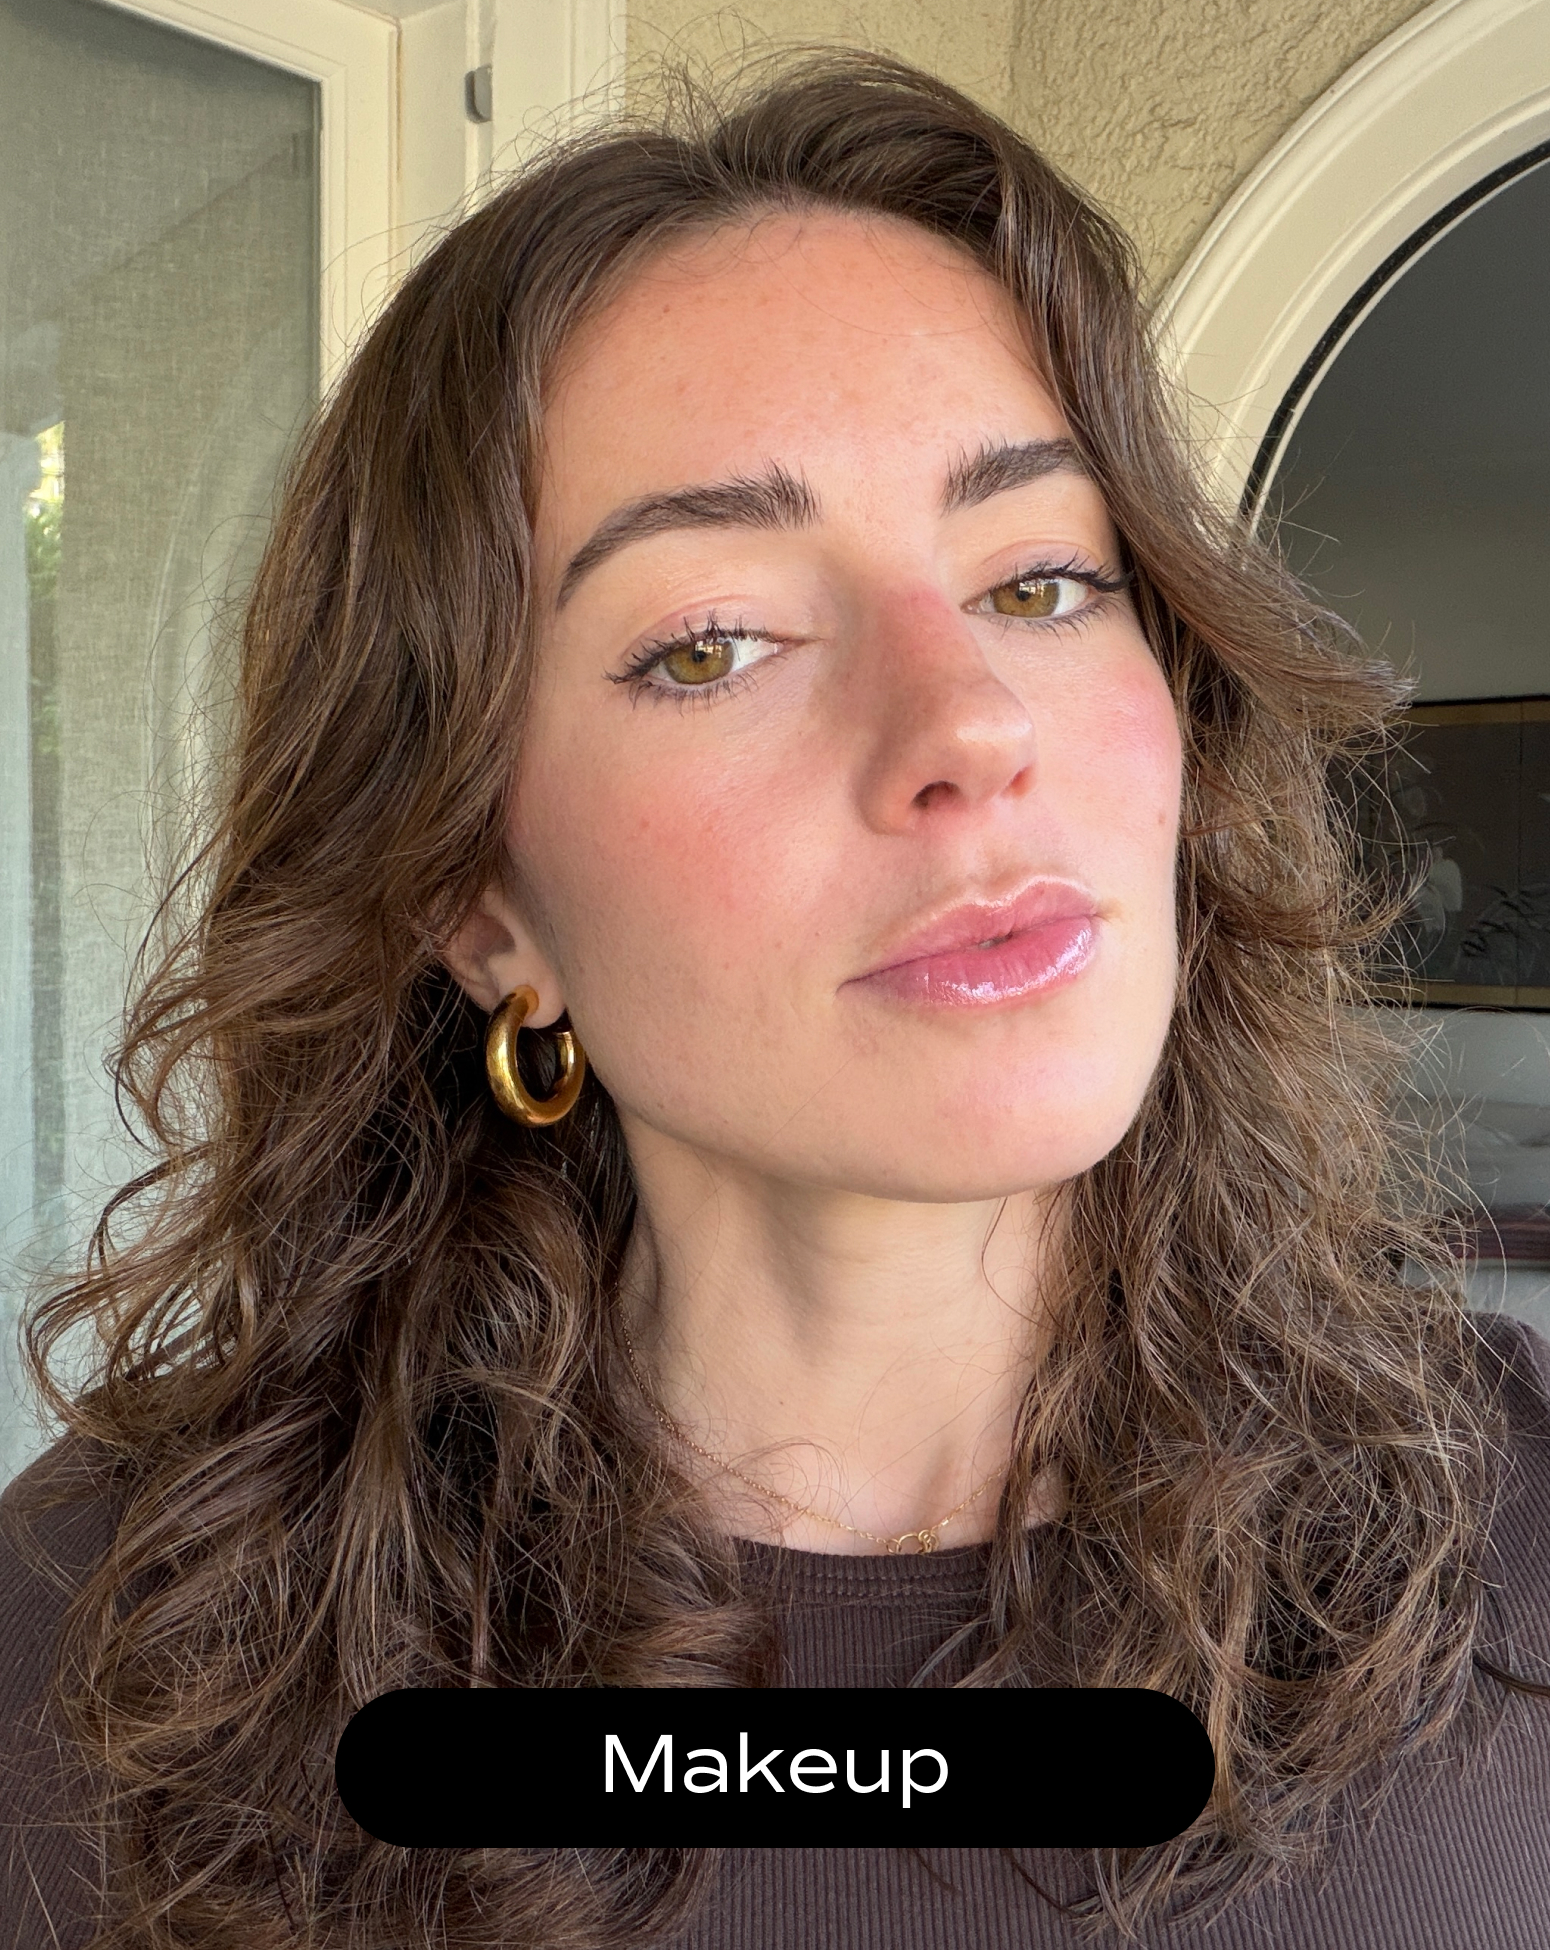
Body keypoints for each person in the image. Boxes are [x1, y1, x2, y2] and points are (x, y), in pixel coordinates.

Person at [2, 51, 1547, 1950]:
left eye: (1041, 581)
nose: (969, 722)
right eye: (714, 641)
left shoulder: (1522, 1534)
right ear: (477, 903)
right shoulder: (105, 1655)